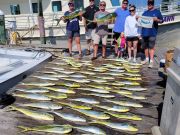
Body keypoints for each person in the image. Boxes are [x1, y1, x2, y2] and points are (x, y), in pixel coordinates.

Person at [140, 0, 163, 68]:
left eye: (151, 3)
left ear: (153, 4)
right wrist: (137, 18)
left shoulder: (157, 12)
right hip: (144, 33)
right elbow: (140, 22)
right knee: (145, 47)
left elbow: (162, 20)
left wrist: (157, 20)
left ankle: (151, 61)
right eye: (149, 3)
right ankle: (147, 59)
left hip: (152, 33)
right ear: (147, 4)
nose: (150, 4)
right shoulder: (144, 13)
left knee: (151, 47)